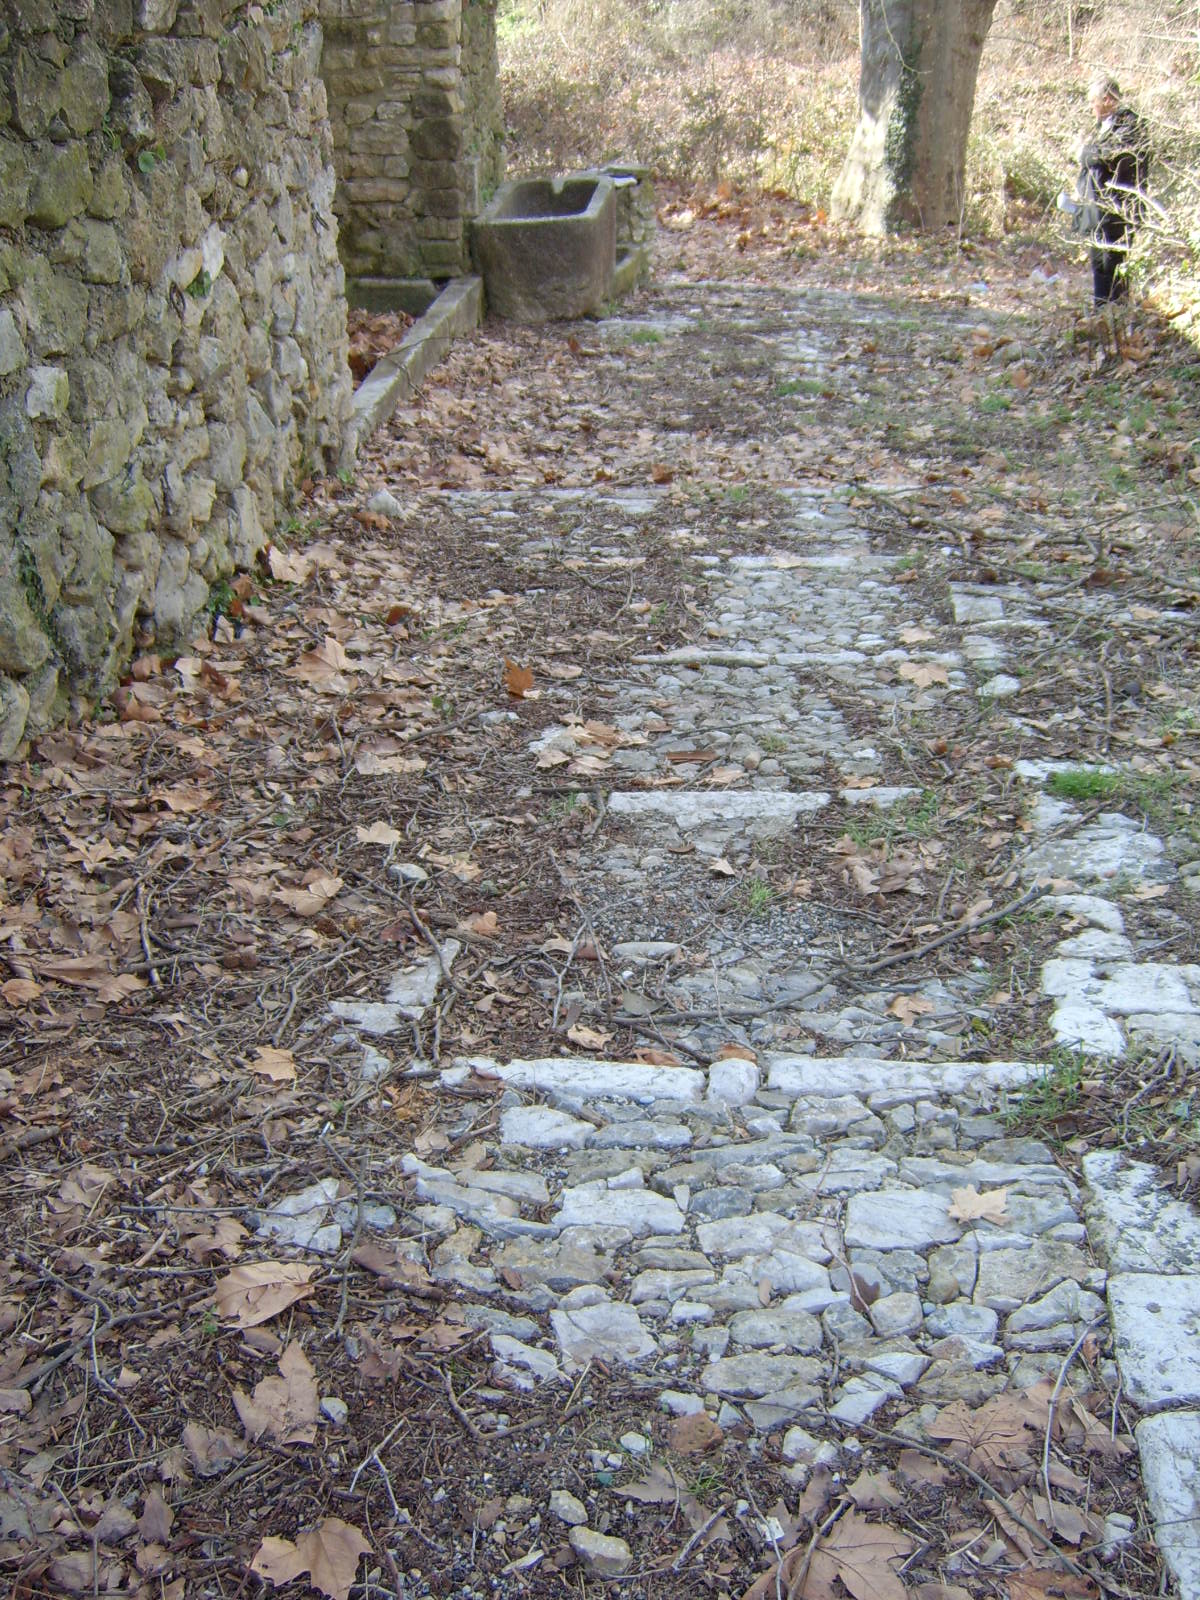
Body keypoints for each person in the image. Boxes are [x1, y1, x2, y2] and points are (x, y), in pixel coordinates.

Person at [1078, 75, 1150, 306]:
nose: (1092, 109)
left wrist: (1083, 153)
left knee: (1114, 264)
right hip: (1096, 209)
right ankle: (1102, 315)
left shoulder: (1130, 125)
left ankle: (1114, 315)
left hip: (1116, 210)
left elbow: (1104, 156)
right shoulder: (1101, 127)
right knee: (1098, 265)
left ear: (1107, 99)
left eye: (1093, 102)